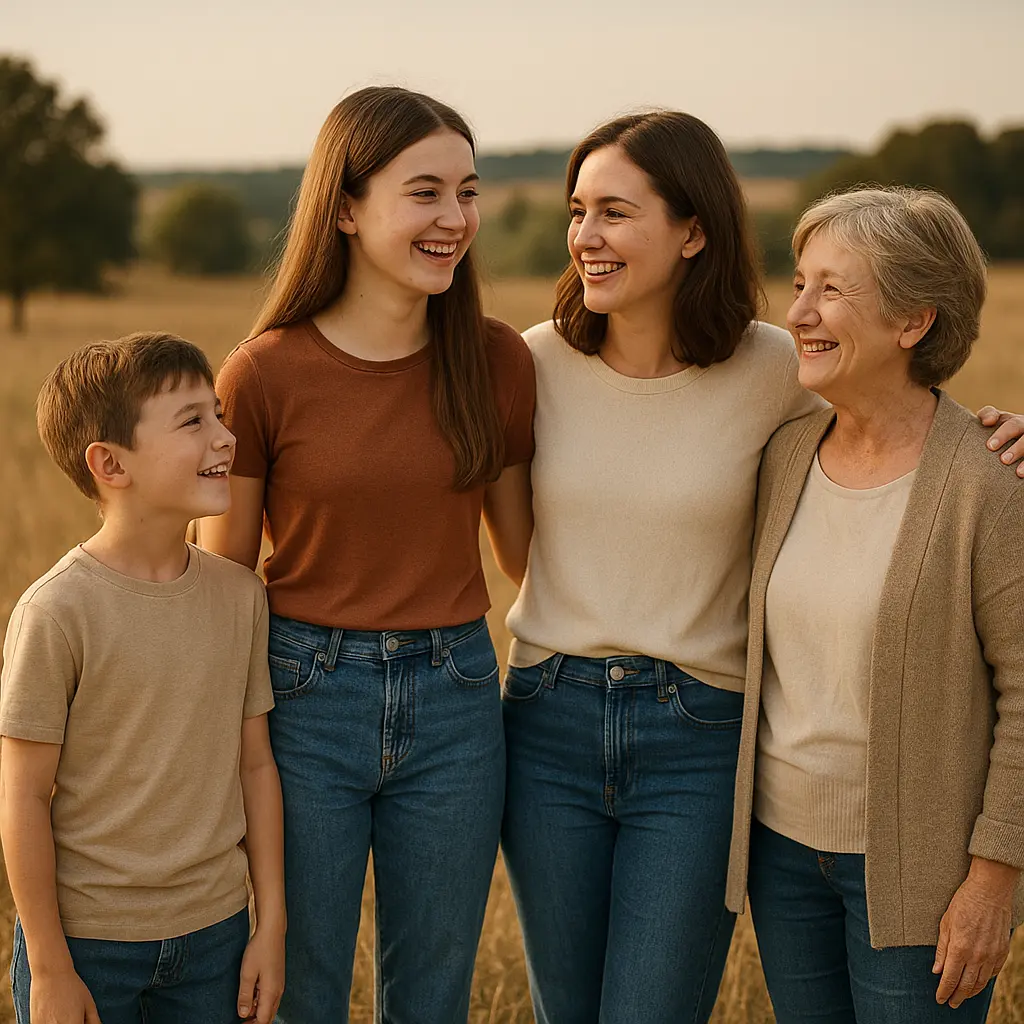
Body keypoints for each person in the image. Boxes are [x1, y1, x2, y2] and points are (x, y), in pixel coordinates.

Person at [500, 112, 1024, 1024]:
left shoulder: (777, 368)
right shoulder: (531, 363)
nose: (586, 235)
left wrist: (1004, 433)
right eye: (578, 210)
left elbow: (902, 408)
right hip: (554, 721)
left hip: (697, 732)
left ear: (693, 229)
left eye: (615, 211)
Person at [200, 86, 535, 1024]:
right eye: (424, 192)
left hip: (460, 701)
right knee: (297, 989)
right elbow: (223, 581)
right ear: (344, 207)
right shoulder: (264, 372)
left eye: (468, 193)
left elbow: (526, 556)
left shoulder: (498, 360)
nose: (455, 219)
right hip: (304, 698)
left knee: (431, 999)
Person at [726, 187, 1024, 1023]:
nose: (801, 313)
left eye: (833, 289)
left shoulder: (987, 482)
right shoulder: (785, 454)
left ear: (914, 322)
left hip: (920, 873)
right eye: (799, 283)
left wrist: (994, 882)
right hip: (783, 858)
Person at [0, 332, 284, 1024]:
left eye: (219, 414)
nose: (225, 438)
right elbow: (24, 797)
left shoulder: (240, 595)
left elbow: (254, 766)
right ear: (110, 464)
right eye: (194, 421)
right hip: (89, 948)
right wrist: (51, 968)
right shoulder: (57, 611)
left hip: (215, 935)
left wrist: (269, 924)